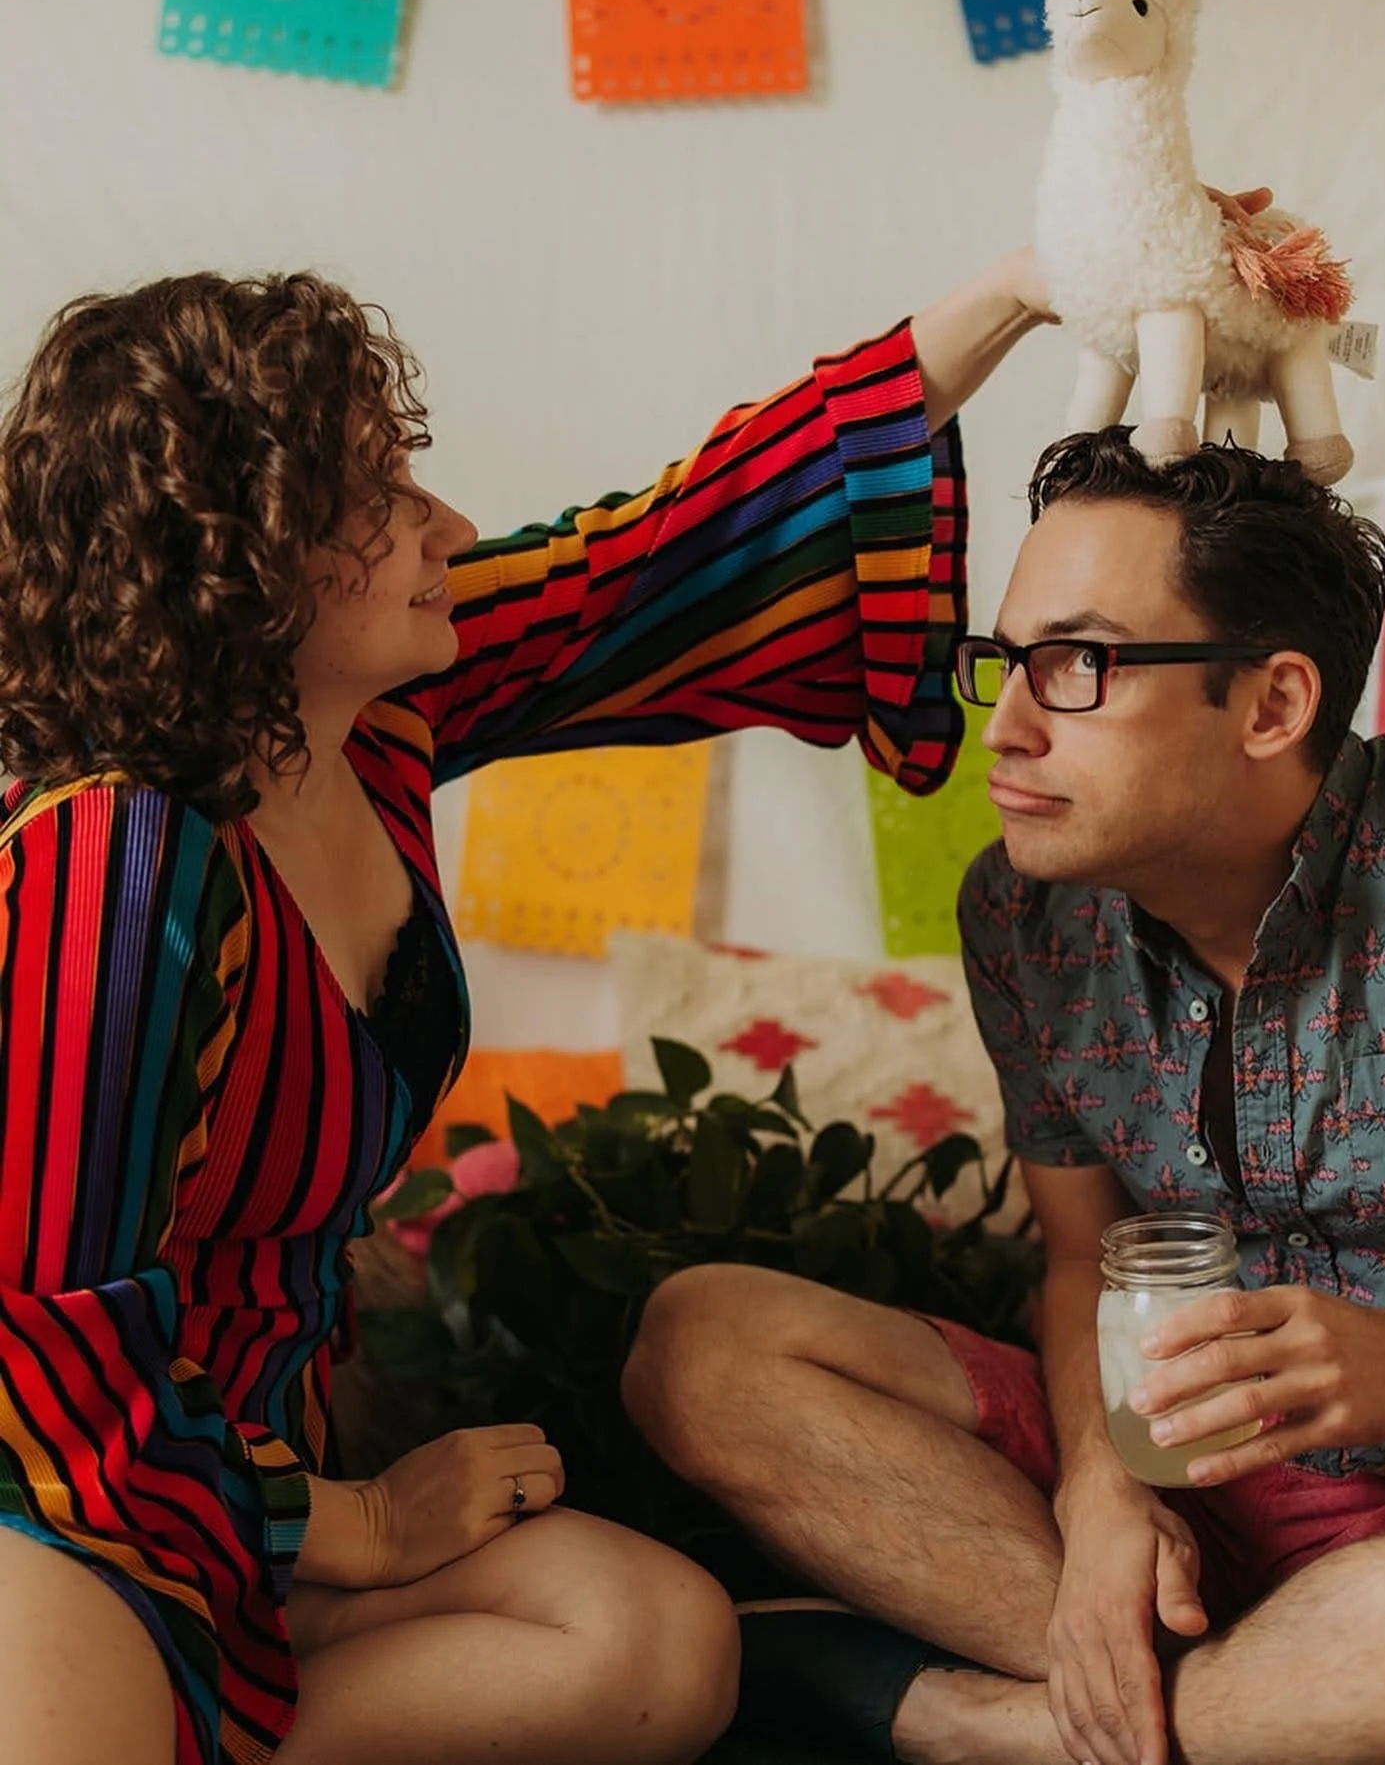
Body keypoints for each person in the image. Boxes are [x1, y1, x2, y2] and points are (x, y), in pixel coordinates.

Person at [0, 251, 1050, 1765]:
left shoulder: (365, 722)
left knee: (658, 1642)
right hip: (65, 1495)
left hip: (244, 1496)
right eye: (382, 493)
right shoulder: (108, 856)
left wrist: (1021, 288)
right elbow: (34, 1328)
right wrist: (345, 1517)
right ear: (241, 552)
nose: (447, 526)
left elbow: (645, 559)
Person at [623, 429, 1385, 1765]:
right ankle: (1252, 1692)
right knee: (701, 1343)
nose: (1002, 725)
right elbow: (1081, 1256)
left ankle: (970, 1721)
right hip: (1173, 1474)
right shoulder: (1021, 912)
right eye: (1006, 662)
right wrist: (1103, 1489)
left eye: (1078, 666)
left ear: (1272, 704)